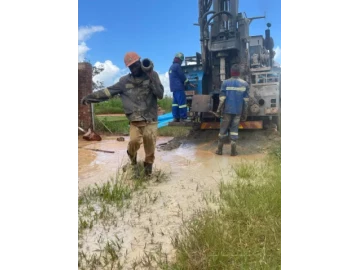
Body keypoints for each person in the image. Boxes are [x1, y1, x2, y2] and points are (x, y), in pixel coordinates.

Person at [81, 52, 164, 176]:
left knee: (149, 144)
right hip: (135, 120)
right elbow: (108, 92)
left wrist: (151, 75)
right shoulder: (124, 81)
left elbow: (160, 94)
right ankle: (133, 162)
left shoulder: (152, 76)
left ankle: (147, 174)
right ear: (129, 68)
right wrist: (90, 97)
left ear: (140, 62)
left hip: (150, 118)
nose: (134, 68)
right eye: (131, 67)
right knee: (134, 142)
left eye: (136, 65)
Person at [214, 64, 249, 156]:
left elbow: (222, 99)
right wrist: (245, 114)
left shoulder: (225, 83)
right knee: (234, 130)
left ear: (231, 72)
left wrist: (218, 111)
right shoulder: (245, 84)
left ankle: (219, 150)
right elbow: (246, 102)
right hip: (238, 111)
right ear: (239, 73)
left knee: (223, 130)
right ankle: (233, 151)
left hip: (227, 111)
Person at [169, 52, 191, 122]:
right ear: (180, 60)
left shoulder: (171, 67)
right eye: (181, 61)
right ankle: (183, 118)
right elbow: (181, 75)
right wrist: (187, 81)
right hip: (179, 88)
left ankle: (176, 118)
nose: (181, 62)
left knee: (175, 103)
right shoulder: (177, 66)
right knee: (182, 103)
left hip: (174, 88)